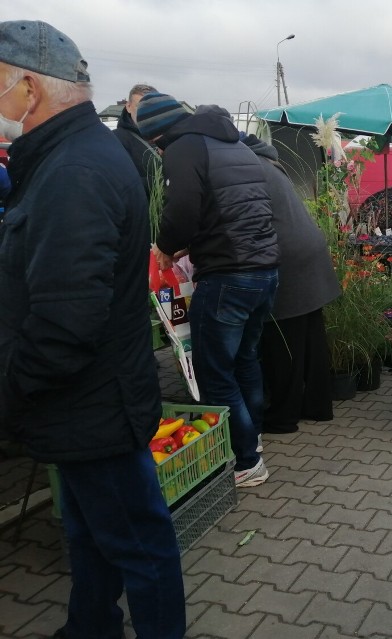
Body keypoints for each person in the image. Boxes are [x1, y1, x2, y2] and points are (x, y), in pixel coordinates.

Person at [0, 20, 185, 638]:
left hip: (91, 404)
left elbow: (64, 322)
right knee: (90, 535)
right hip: (87, 404)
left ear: (28, 87)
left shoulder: (73, 171)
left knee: (138, 543)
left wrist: (11, 391)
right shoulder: (66, 157)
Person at [137, 92, 279, 486]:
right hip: (264, 270)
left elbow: (181, 209)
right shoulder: (235, 144)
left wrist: (166, 247)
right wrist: (191, 244)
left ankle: (246, 462)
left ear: (155, 136)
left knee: (215, 372)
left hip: (227, 276)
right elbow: (231, 210)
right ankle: (254, 439)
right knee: (246, 360)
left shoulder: (183, 148)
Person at [241, 128, 342, 434]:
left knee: (281, 340)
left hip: (288, 258)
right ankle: (318, 406)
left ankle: (283, 417)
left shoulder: (247, 168)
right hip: (309, 249)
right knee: (310, 335)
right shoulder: (269, 163)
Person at [113, 82, 158, 196]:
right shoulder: (115, 140)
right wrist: (164, 183)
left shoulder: (168, 137)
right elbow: (119, 183)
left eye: (151, 106)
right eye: (140, 106)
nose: (147, 112)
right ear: (128, 107)